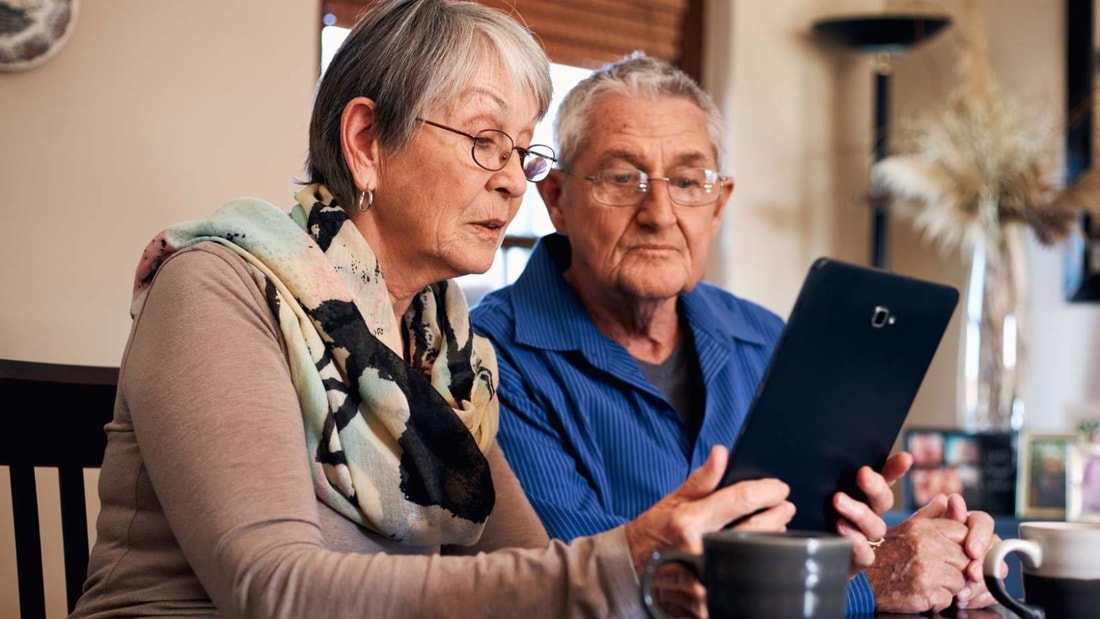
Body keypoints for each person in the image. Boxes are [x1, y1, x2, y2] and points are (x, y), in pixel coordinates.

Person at [68, 3, 820, 616]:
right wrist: (619, 564)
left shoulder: (447, 351)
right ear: (366, 141)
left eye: (522, 152)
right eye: (485, 141)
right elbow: (274, 589)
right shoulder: (218, 287)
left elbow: (530, 569)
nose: (512, 183)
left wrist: (661, 572)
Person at [471, 53, 1003, 616]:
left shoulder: (764, 338)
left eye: (688, 180)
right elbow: (585, 587)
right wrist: (869, 583)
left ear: (718, 204)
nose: (659, 212)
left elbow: (821, 534)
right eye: (623, 178)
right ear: (556, 199)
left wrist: (930, 554)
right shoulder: (485, 358)